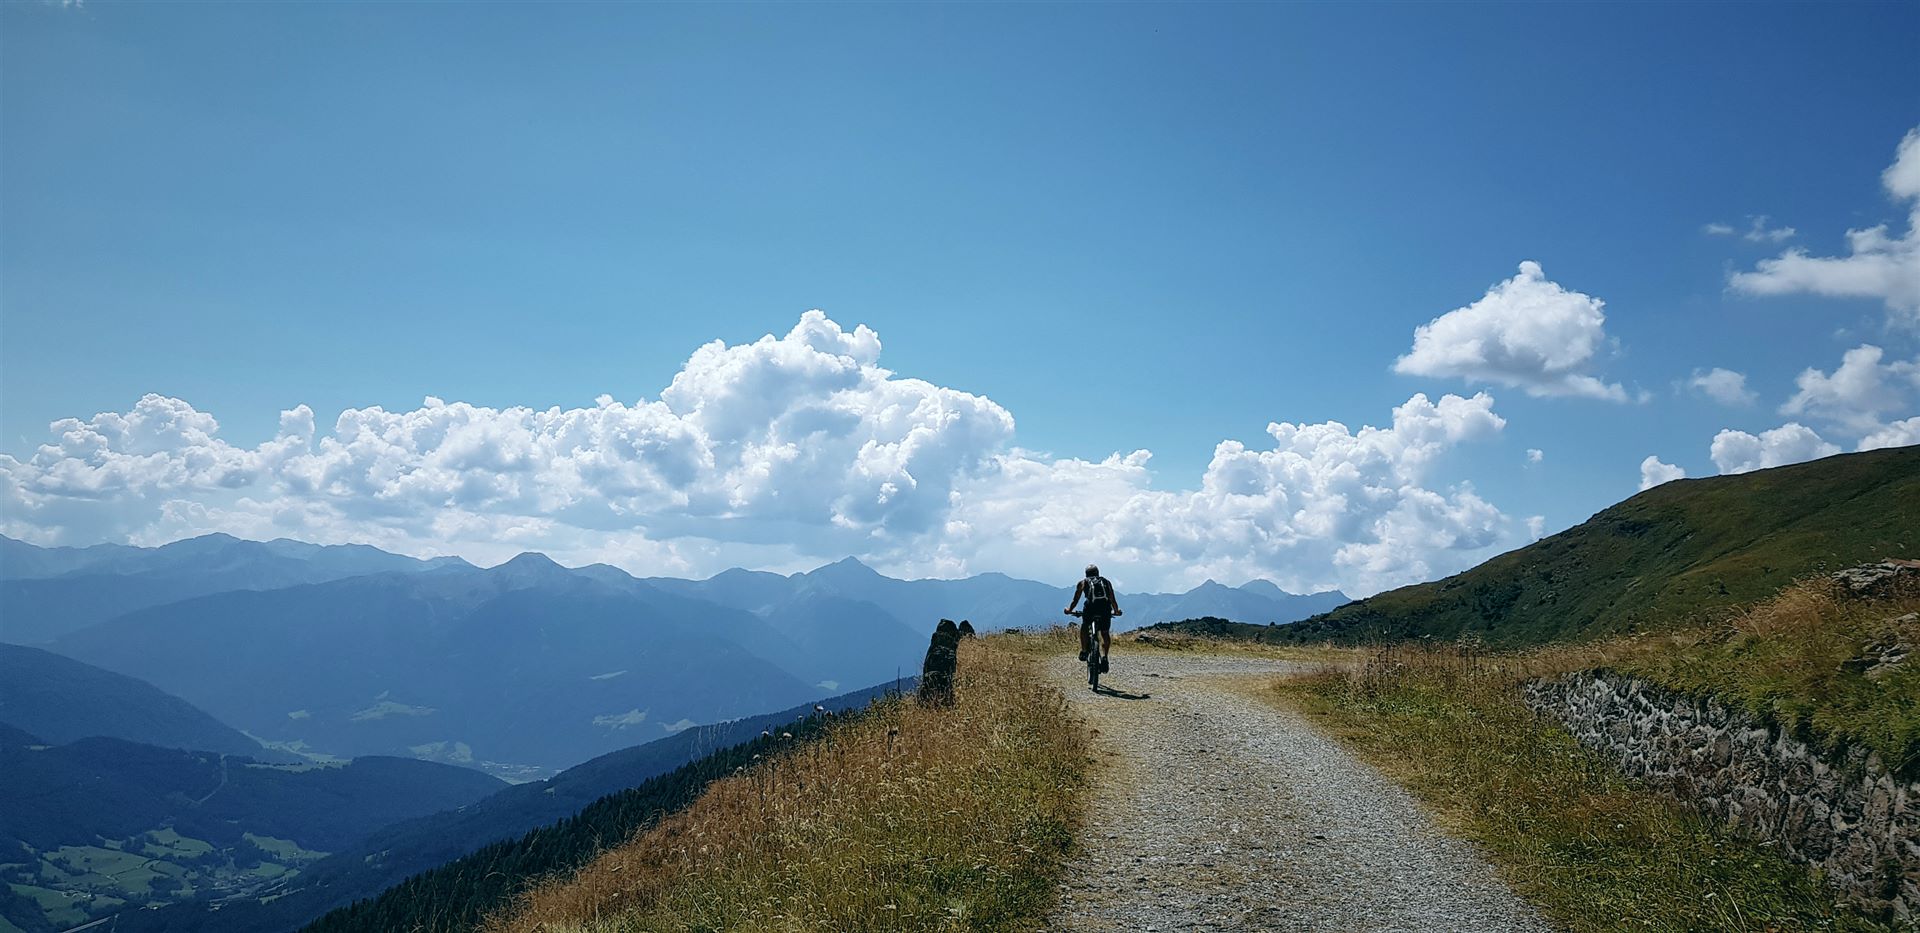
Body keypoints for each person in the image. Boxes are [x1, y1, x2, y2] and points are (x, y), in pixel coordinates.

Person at [1065, 563, 1122, 672]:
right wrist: (1116, 611)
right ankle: (1105, 657)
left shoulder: (1083, 582)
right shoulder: (1106, 582)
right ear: (1098, 573)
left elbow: (1075, 600)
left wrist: (1069, 610)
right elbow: (1112, 598)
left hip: (1090, 608)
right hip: (1105, 609)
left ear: (1086, 574)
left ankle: (1084, 650)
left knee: (1085, 626)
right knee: (1105, 632)